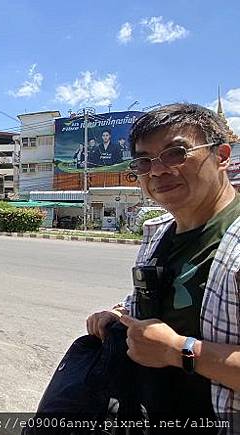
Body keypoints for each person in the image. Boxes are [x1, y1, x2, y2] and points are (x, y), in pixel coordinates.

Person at [86, 103, 240, 432]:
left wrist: (180, 351)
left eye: (176, 153)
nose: (157, 171)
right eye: (144, 161)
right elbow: (160, 307)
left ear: (222, 156)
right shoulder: (160, 233)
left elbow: (170, 343)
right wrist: (121, 316)